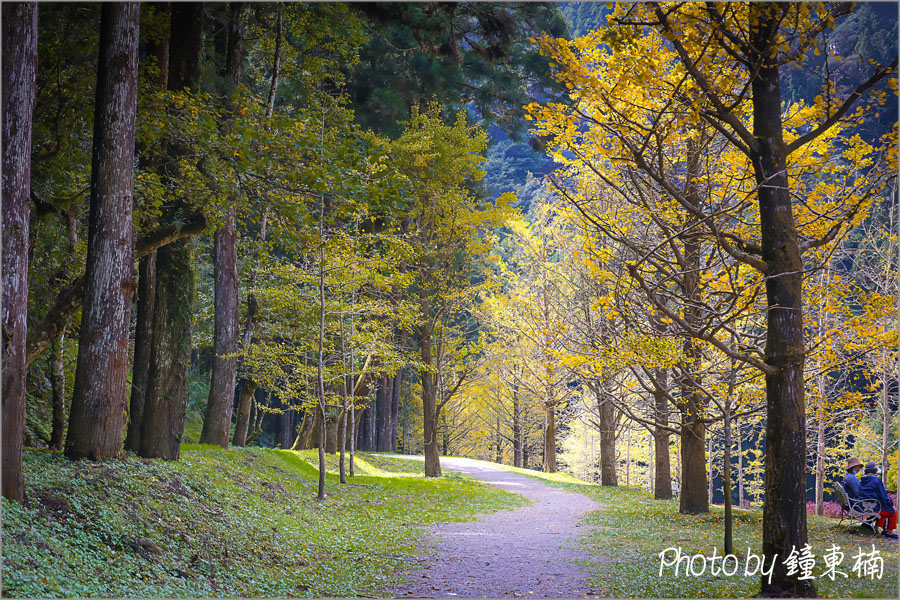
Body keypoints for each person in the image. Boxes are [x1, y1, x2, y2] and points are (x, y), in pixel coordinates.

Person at [859, 462, 897, 540]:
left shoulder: (863, 480)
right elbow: (884, 497)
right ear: (875, 471)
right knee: (893, 511)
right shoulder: (877, 480)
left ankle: (878, 528)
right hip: (874, 507)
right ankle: (888, 532)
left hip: (865, 506)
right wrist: (890, 502)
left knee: (885, 508)